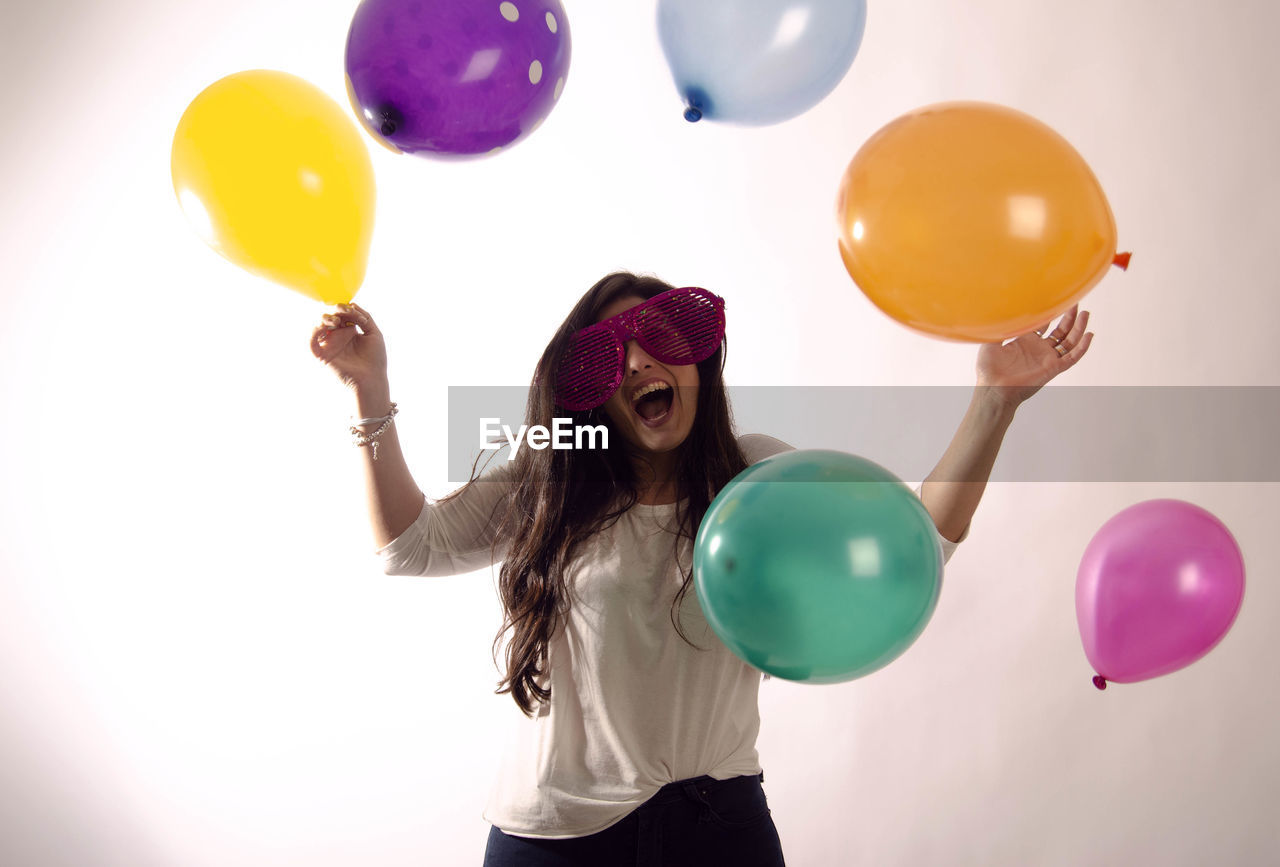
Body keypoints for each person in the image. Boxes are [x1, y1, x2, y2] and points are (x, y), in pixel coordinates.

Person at [310, 271, 1093, 866]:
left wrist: (996, 403)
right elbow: (407, 546)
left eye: (663, 338)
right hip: (554, 840)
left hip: (718, 829)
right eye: (611, 355)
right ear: (591, 395)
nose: (643, 361)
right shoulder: (552, 476)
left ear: (699, 357)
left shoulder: (754, 480)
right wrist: (367, 387)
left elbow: (913, 542)